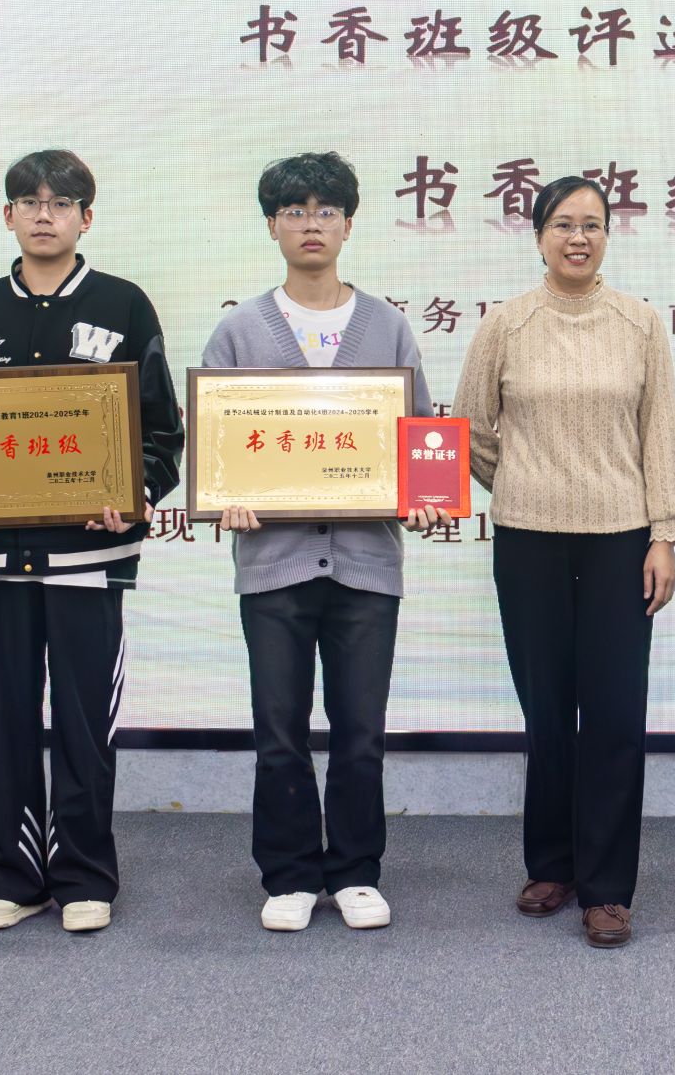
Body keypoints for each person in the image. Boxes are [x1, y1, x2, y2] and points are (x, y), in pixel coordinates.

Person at [0, 150, 184, 934]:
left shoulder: (124, 305)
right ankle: (11, 876)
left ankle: (85, 875)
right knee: (8, 724)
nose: (45, 214)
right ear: (8, 215)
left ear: (87, 217)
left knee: (86, 727)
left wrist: (134, 495)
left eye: (61, 202)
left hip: (90, 562)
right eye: (29, 201)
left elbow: (162, 431)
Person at [198, 152, 443, 933]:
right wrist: (226, 497)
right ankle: (291, 873)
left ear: (348, 224)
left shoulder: (388, 325)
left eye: (327, 210)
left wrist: (427, 495)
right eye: (296, 211)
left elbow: (420, 431)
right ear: (272, 225)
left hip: (367, 564)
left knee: (361, 731)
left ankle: (357, 870)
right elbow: (216, 448)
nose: (312, 224)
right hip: (272, 565)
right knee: (279, 731)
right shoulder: (240, 329)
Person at [451, 176, 675, 948]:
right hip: (528, 540)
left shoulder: (640, 322)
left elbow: (659, 433)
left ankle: (608, 885)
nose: (577, 237)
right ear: (538, 236)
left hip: (622, 540)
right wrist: (522, 478)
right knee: (547, 711)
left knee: (614, 714)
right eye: (562, 224)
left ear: (608, 235)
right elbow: (469, 426)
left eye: (591, 224)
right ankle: (551, 863)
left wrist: (663, 533)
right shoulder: (506, 323)